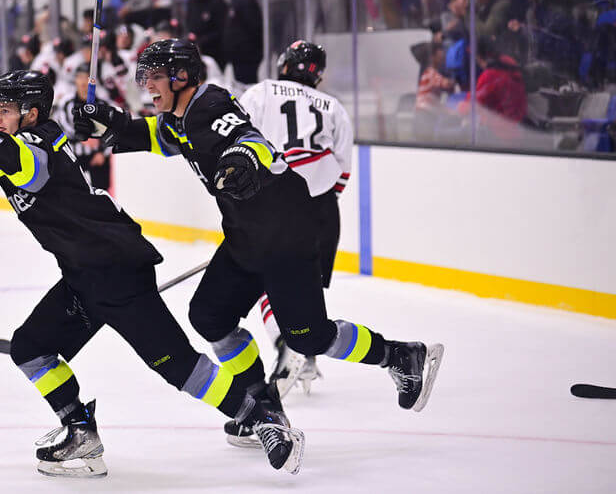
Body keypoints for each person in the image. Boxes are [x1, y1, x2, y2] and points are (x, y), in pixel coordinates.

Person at [0, 70, 298, 477]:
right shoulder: (21, 141)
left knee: (178, 366)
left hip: (114, 271)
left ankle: (262, 416)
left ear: (31, 114)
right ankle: (79, 431)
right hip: (84, 275)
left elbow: (7, 156)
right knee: (30, 348)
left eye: (4, 110)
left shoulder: (34, 149)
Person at [72, 39, 443, 464]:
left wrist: (243, 160)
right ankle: (263, 407)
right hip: (247, 236)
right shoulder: (182, 116)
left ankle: (401, 355)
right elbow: (164, 136)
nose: (148, 86)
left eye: (155, 77)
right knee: (209, 316)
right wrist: (110, 124)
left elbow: (253, 141)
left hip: (287, 235)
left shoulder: (209, 105)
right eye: (145, 77)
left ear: (181, 76)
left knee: (309, 335)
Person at [237, 40, 354, 400]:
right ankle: (310, 353)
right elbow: (343, 171)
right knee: (305, 289)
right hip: (321, 210)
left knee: (265, 286)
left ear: (284, 63)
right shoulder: (334, 107)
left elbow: (234, 137)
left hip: (273, 203)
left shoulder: (262, 92)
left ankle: (288, 347)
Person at [55, 62, 113, 191]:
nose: (82, 82)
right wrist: (84, 138)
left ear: (93, 81)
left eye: (86, 77)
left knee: (102, 196)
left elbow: (111, 132)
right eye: (79, 77)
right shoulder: (66, 103)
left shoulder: (103, 104)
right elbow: (63, 128)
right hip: (74, 156)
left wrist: (102, 154)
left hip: (98, 157)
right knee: (74, 193)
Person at [223, 0, 264, 85]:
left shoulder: (244, 0)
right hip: (240, 57)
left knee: (246, 88)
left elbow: (254, 27)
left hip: (246, 57)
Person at [414, 42, 457, 140]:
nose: (443, 60)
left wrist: (450, 111)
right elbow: (446, 83)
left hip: (428, 117)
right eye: (441, 57)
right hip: (423, 117)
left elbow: (435, 102)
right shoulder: (430, 73)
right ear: (433, 57)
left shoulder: (433, 74)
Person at [185, 0, 228, 68]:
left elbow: (222, 29)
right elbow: (188, 23)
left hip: (215, 52)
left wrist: (203, 40)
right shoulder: (191, 2)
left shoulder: (217, 3)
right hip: (196, 51)